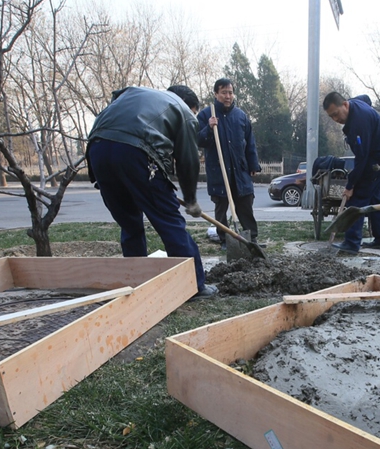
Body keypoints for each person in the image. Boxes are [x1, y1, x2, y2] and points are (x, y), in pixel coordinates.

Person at [86, 85, 217, 300]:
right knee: (168, 220)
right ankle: (193, 284)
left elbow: (115, 106)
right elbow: (188, 160)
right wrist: (191, 200)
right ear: (189, 104)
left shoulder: (134, 93)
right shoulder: (183, 111)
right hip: (137, 152)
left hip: (98, 149)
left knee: (129, 222)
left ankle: (137, 280)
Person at [322, 92, 380, 255]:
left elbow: (362, 158)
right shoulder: (353, 106)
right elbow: (365, 98)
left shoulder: (359, 122)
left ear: (345, 105)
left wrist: (351, 185)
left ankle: (352, 243)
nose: (335, 119)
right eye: (331, 117)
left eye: (336, 114)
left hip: (377, 159)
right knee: (374, 199)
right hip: (379, 156)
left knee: (358, 198)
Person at [197, 78, 262, 245]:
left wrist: (253, 164)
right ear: (216, 94)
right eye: (224, 92)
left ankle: (251, 238)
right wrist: (209, 129)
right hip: (219, 170)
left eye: (230, 92)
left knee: (245, 204)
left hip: (240, 170)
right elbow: (198, 140)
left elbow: (250, 142)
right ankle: (225, 239)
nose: (228, 96)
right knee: (221, 206)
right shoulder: (205, 115)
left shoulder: (241, 116)